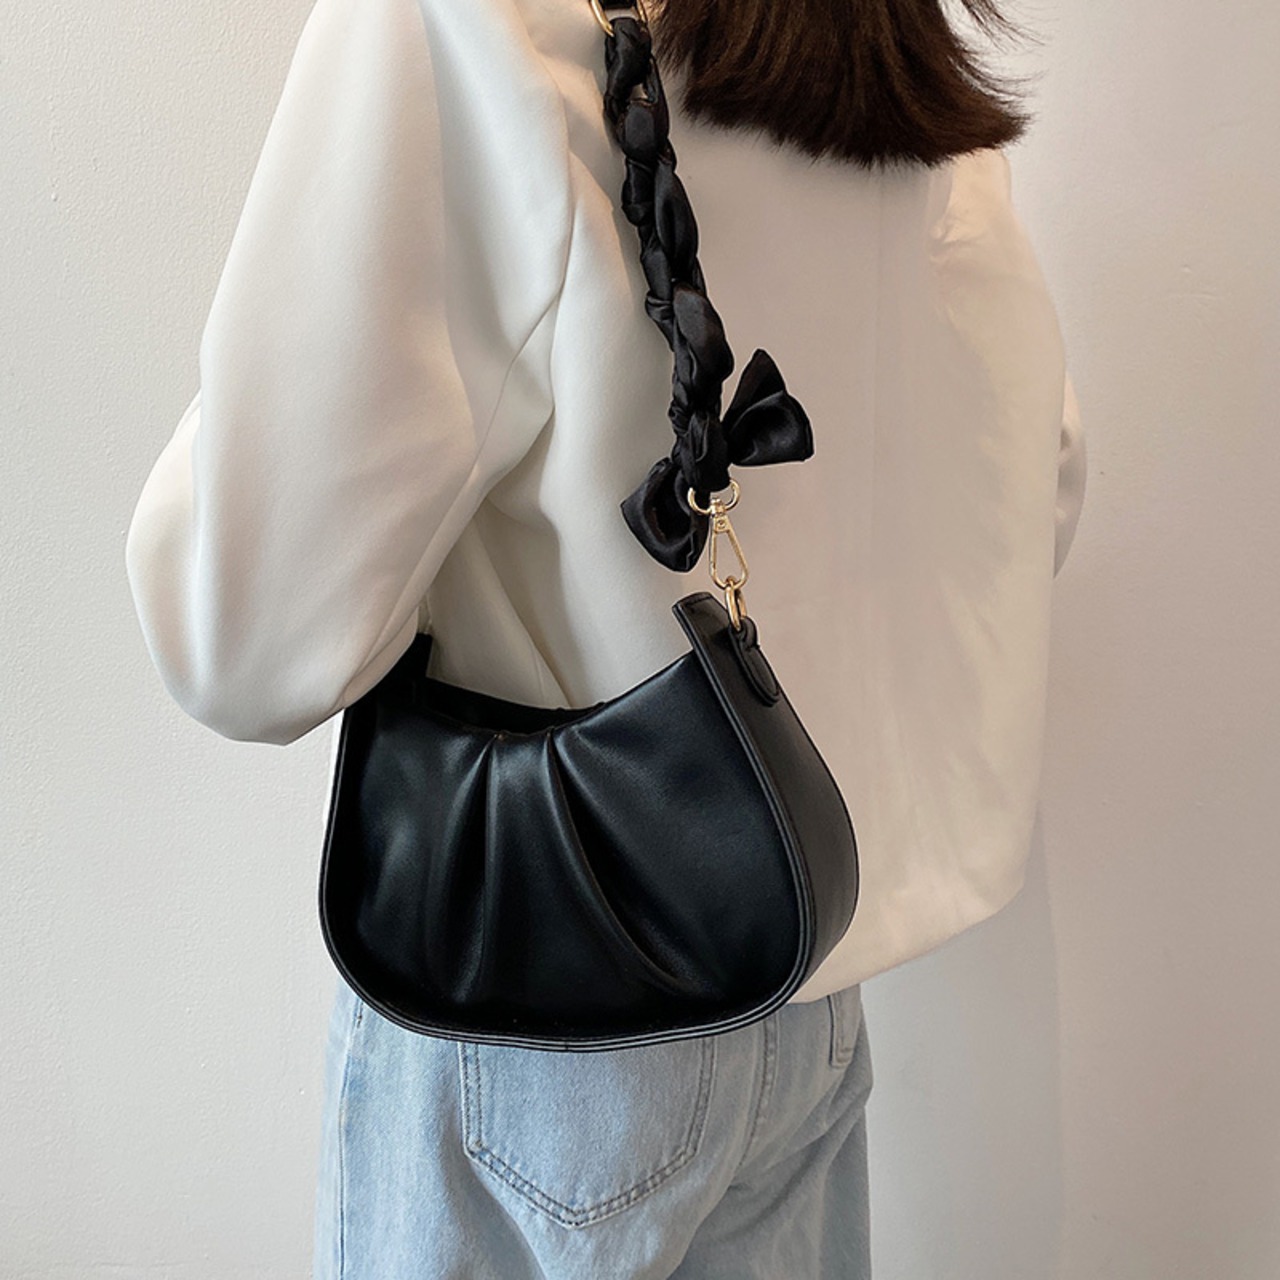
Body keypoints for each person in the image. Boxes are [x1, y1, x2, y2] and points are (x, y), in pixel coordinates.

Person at [123, 0, 1088, 1274]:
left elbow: (236, 639)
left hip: (546, 1019)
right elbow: (1038, 476)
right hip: (803, 983)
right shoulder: (876, 26)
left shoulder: (464, 24)